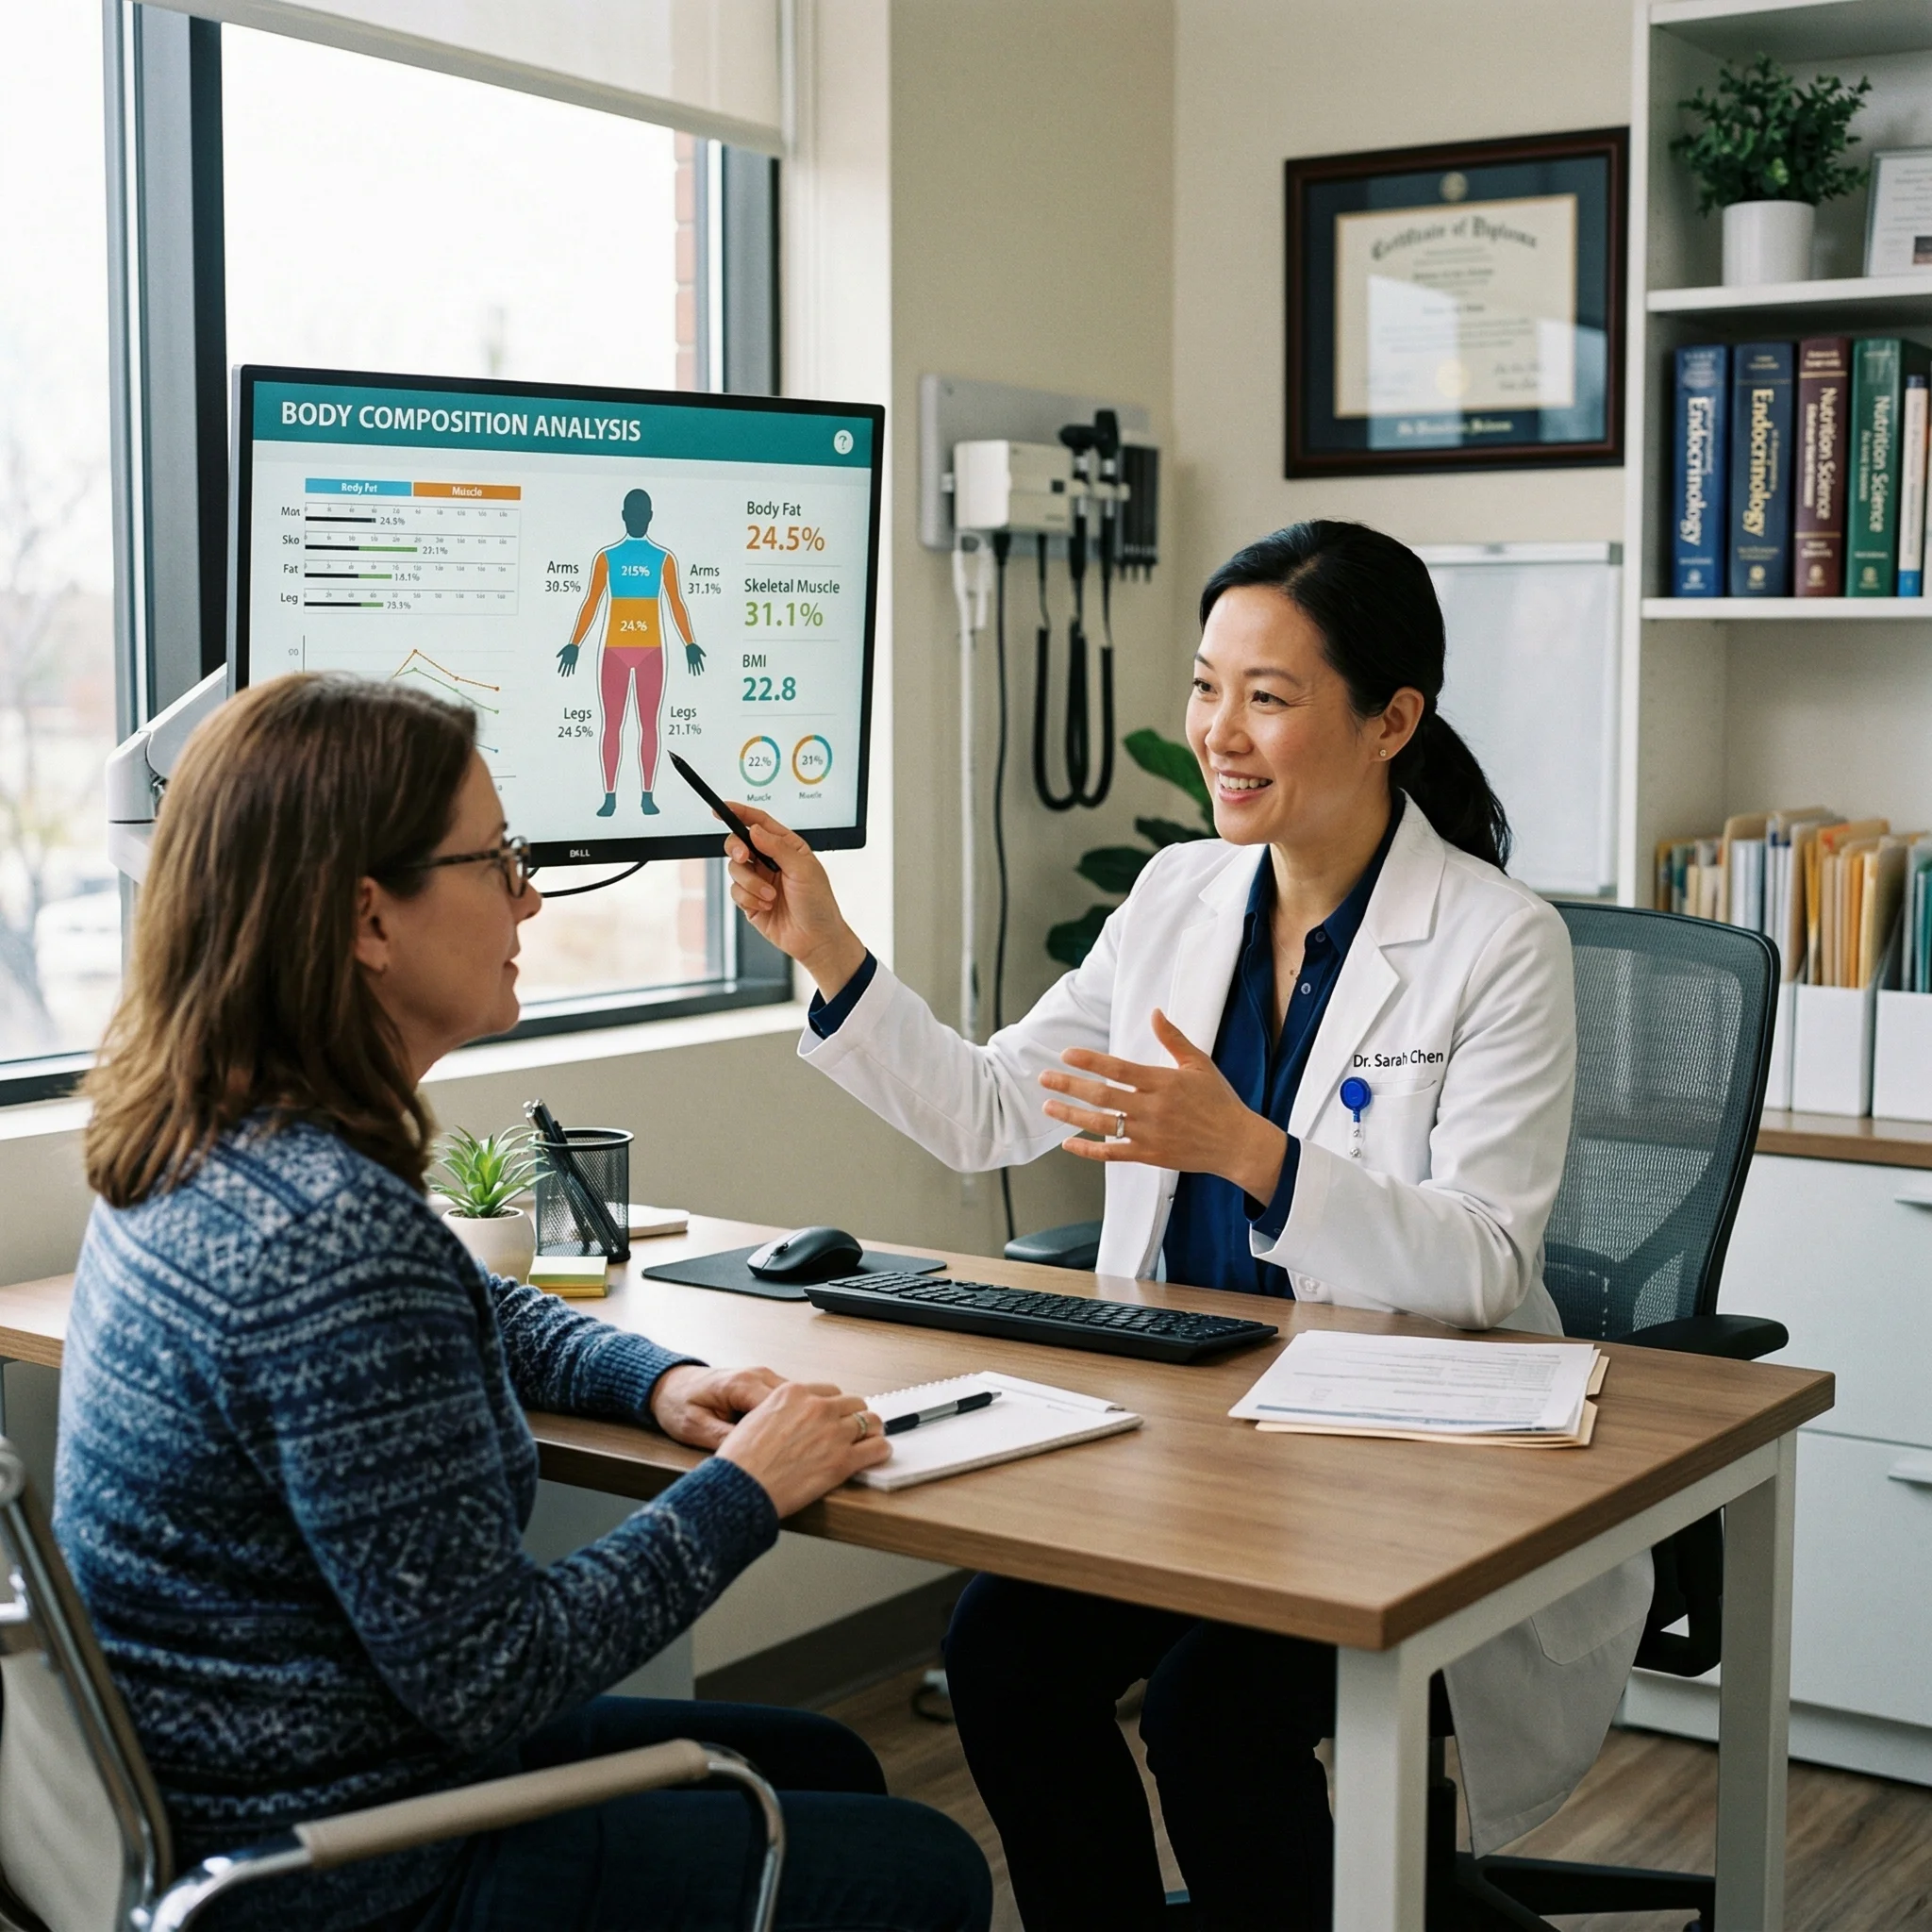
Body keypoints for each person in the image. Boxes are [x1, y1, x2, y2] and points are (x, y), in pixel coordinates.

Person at [720, 521, 1654, 1931]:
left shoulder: (1497, 940)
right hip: (1191, 1436)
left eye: (1267, 697)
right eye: (1208, 686)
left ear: (1391, 720)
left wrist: (1249, 1153)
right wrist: (826, 948)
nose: (1220, 731)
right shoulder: (1178, 893)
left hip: (1391, 1456)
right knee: (1001, 1653)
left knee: (1215, 1715)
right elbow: (993, 1108)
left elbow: (1481, 1263)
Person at [58, 674, 991, 1932]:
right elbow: (498, 1672)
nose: (531, 897)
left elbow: (467, 1304)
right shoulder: (332, 1238)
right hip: (356, 1873)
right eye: (499, 859)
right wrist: (747, 1487)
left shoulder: (213, 1144)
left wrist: (654, 1380)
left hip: (270, 1794)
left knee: (817, 1760)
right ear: (368, 918)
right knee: (927, 1871)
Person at [558, 486, 705, 819]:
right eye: (633, 514)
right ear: (624, 516)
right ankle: (610, 796)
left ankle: (647, 796)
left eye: (642, 514)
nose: (638, 519)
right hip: (615, 652)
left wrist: (689, 642)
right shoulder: (606, 557)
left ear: (649, 517)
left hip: (651, 652)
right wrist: (575, 643)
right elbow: (591, 602)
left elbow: (676, 603)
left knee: (649, 725)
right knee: (612, 725)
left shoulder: (664, 559)